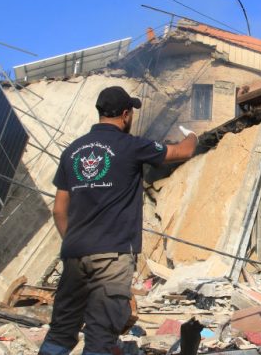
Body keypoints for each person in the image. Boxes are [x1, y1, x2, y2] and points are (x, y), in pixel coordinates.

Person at [39, 86, 198, 355]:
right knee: (101, 335)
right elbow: (182, 152)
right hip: (111, 258)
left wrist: (75, 241)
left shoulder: (72, 151)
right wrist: (193, 134)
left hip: (75, 254)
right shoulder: (132, 146)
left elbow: (58, 210)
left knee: (61, 330)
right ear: (125, 115)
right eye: (131, 113)